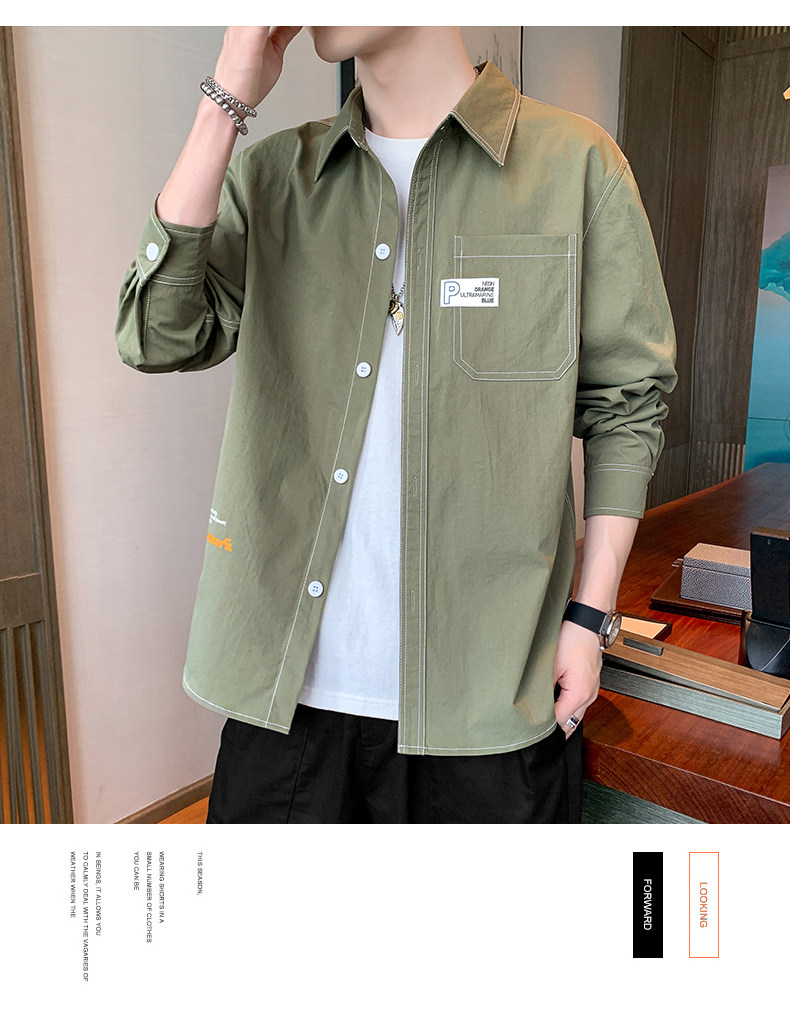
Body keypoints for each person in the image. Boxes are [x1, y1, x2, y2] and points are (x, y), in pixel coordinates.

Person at [115, 26, 677, 823]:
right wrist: (225, 100)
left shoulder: (577, 165)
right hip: (286, 708)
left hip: (491, 703)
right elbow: (154, 334)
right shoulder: (275, 176)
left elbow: (627, 403)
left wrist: (589, 618)